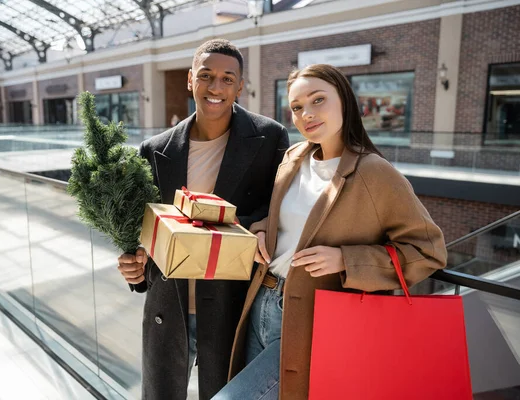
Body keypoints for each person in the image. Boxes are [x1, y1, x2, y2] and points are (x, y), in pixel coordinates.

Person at [214, 64, 447, 400]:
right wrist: (262, 231)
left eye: (318, 99)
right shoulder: (294, 157)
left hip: (311, 319)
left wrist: (345, 260)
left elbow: (429, 251)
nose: (306, 113)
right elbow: (285, 221)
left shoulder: (374, 173)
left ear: (344, 101)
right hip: (260, 301)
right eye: (296, 107)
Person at [117, 39, 290, 400]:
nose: (216, 87)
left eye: (228, 78)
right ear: (190, 80)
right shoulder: (155, 149)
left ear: (241, 86)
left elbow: (278, 212)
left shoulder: (270, 138)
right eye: (207, 76)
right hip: (168, 306)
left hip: (230, 308)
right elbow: (145, 225)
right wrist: (134, 263)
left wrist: (245, 227)